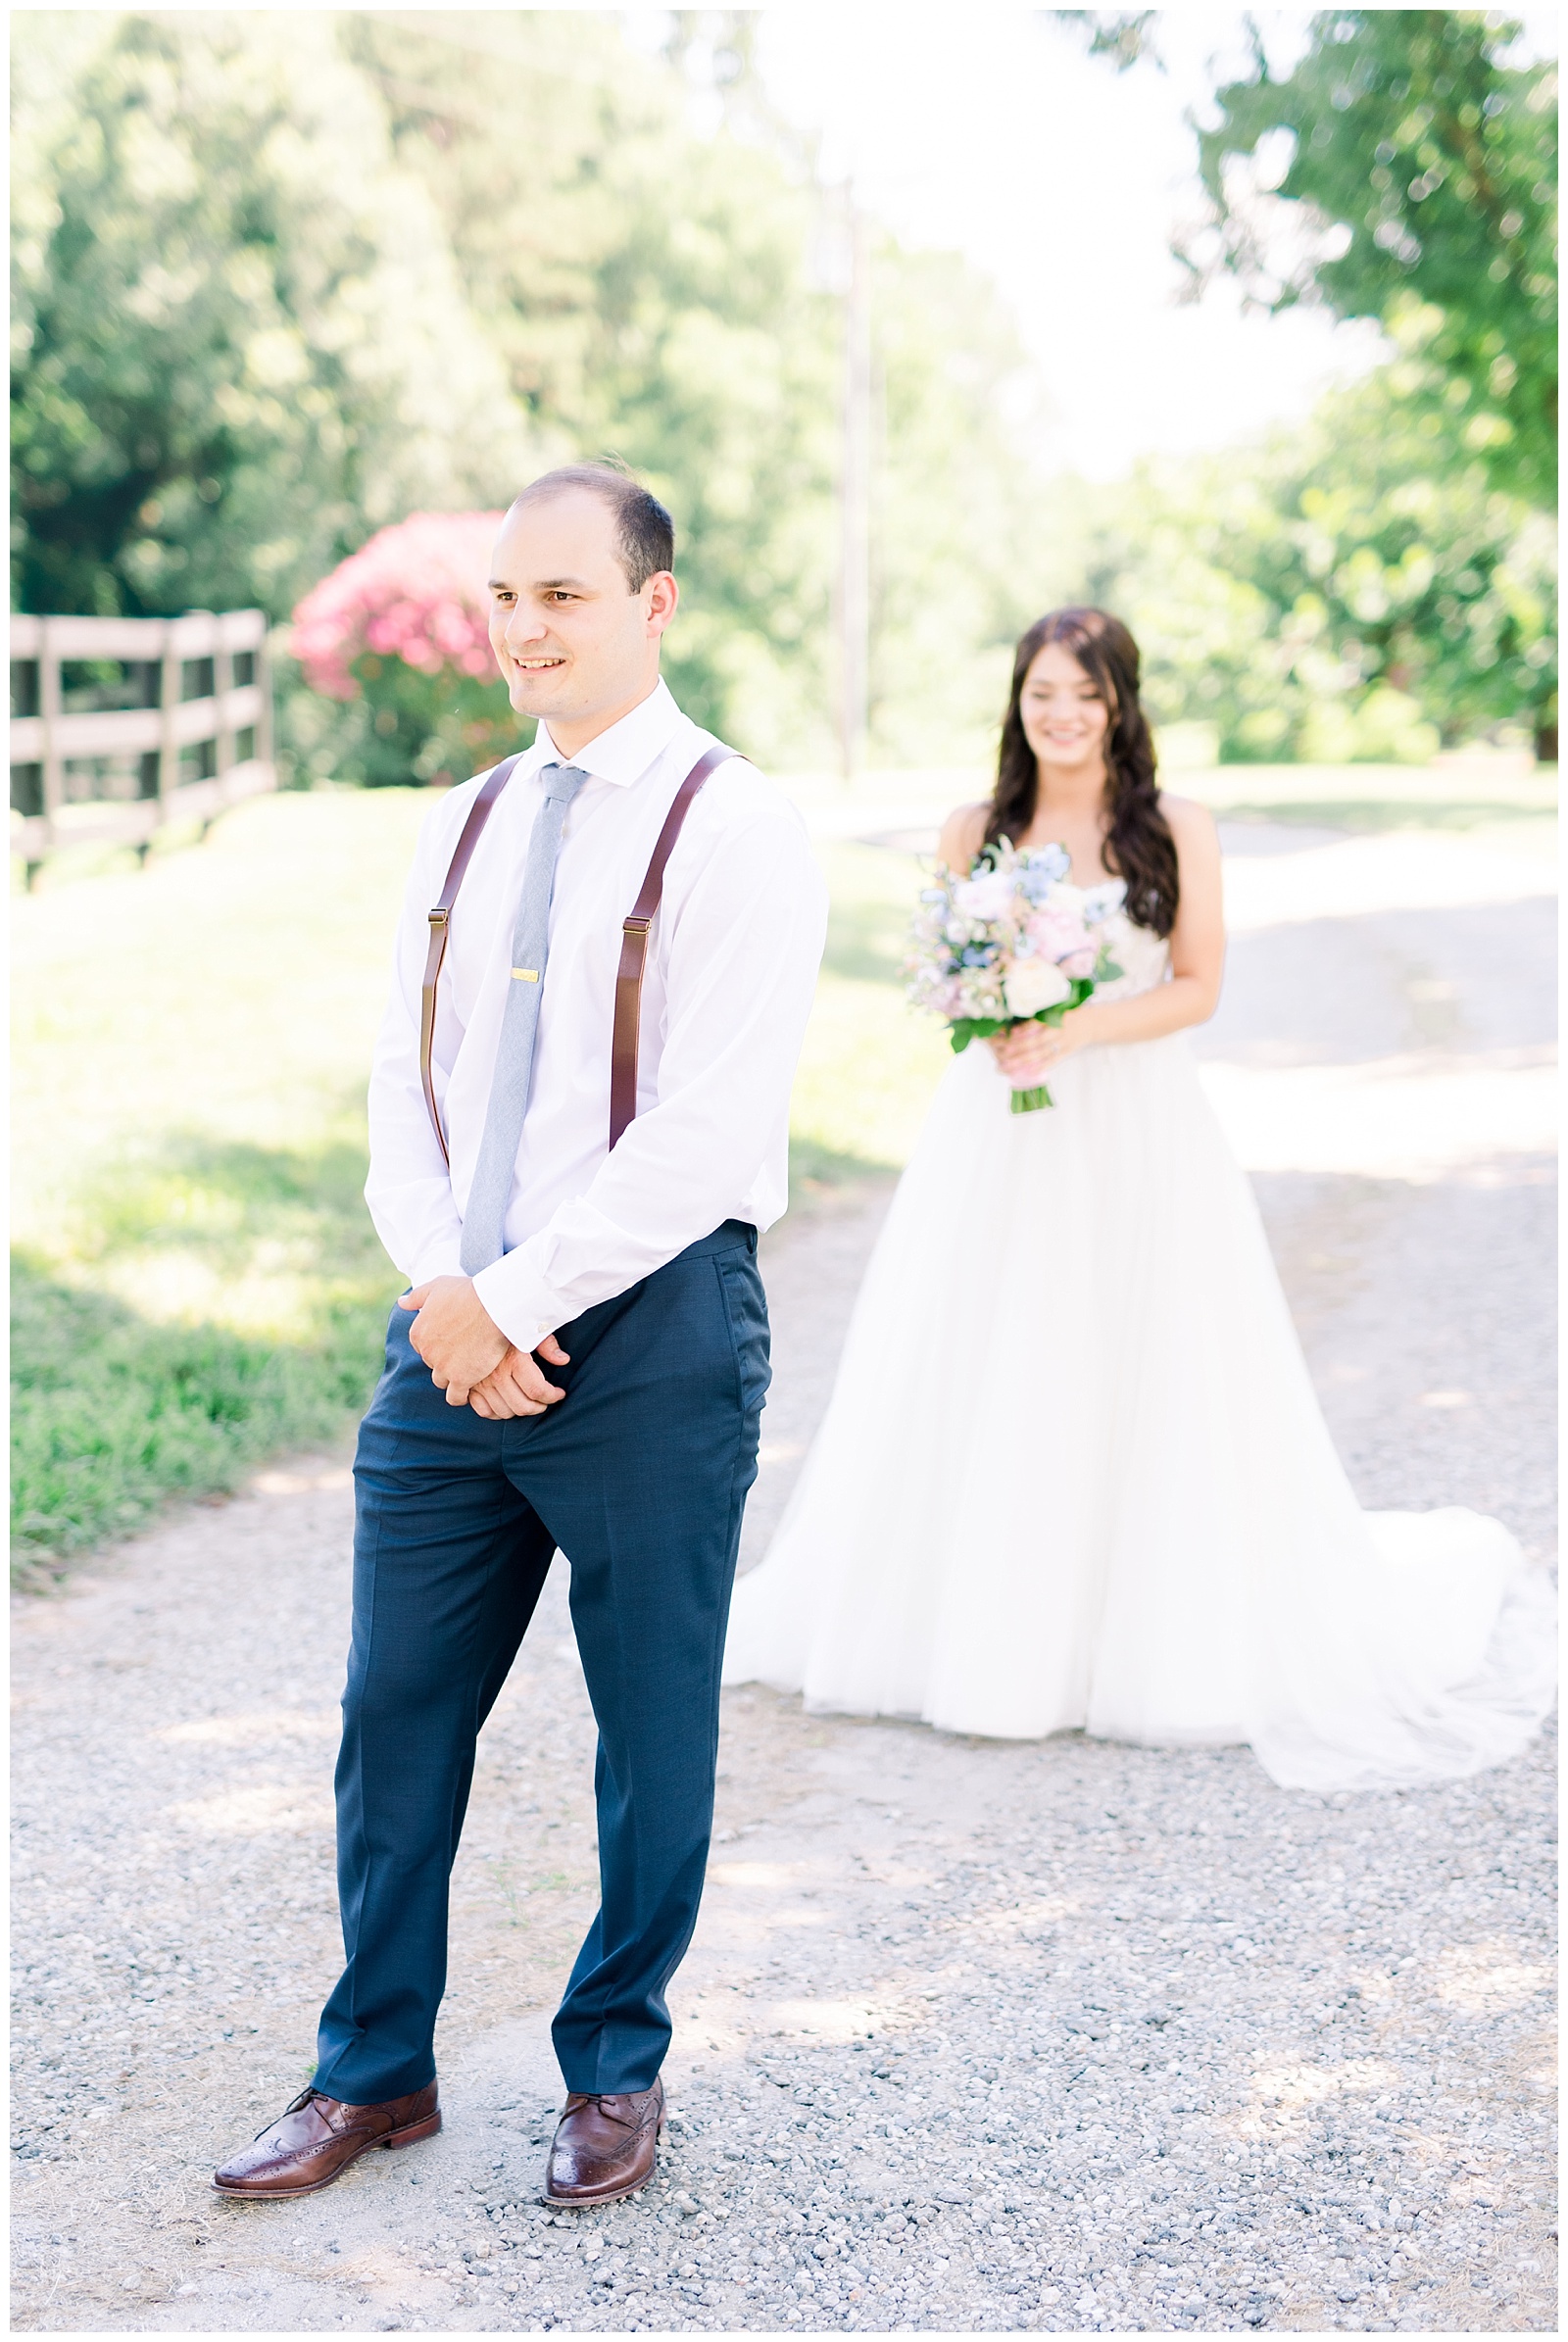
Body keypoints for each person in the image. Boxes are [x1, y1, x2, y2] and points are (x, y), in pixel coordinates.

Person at [213, 465, 827, 2205]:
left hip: (645, 1340)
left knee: (650, 1732)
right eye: (507, 599)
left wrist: (515, 1305)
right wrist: (444, 1296)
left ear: (655, 605)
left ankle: (614, 2069)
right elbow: (408, 1089)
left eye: (563, 596)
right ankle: (372, 2071)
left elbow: (704, 1133)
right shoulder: (461, 821)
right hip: (451, 1334)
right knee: (394, 1707)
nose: (524, 630)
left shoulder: (738, 826)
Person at [723, 608, 1555, 1792]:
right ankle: (987, 1636)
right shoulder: (977, 830)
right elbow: (949, 978)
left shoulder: (1174, 828)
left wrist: (1071, 1026)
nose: (1061, 715)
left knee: (1142, 1357)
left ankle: (1141, 1638)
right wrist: (995, 1017)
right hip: (1000, 1137)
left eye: (1086, 694)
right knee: (999, 1354)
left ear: (1122, 703)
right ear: (1016, 702)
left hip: (1138, 1127)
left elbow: (1199, 987)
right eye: (1041, 693)